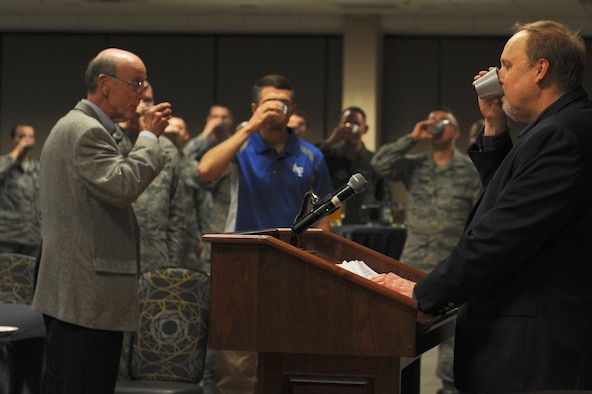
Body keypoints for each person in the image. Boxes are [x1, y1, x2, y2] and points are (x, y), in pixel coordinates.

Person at [372, 20, 592, 394]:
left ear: (540, 70)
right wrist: (495, 125)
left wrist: (422, 293)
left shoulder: (559, 134)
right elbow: (512, 200)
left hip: (536, 351)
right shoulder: (560, 125)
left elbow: (501, 234)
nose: (497, 75)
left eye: (506, 65)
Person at [31, 48, 172, 393]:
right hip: (85, 297)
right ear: (105, 84)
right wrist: (150, 138)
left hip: (79, 295)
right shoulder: (86, 131)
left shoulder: (78, 126)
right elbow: (123, 185)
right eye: (136, 83)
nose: (141, 94)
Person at [198, 74, 333, 394]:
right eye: (269, 103)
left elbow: (324, 221)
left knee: (289, 360)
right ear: (255, 107)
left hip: (293, 267)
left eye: (283, 103)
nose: (277, 109)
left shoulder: (311, 155)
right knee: (236, 365)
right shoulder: (241, 146)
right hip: (240, 267)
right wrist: (249, 126)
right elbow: (205, 170)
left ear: (293, 108)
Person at [370, 106, 481, 394]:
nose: (435, 127)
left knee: (454, 337)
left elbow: (479, 215)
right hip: (413, 261)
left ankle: (450, 388)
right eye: (431, 122)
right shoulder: (415, 165)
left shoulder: (468, 169)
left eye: (442, 122)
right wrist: (412, 136)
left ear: (456, 132)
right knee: (400, 335)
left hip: (451, 263)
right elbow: (380, 165)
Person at [112, 83, 187, 271]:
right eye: (139, 98)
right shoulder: (108, 140)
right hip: (114, 261)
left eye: (148, 100)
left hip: (156, 262)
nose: (144, 104)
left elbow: (177, 217)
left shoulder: (166, 148)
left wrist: (173, 267)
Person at [317, 106, 392, 225]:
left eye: (356, 123)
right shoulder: (328, 155)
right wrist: (330, 141)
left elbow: (385, 197)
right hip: (333, 225)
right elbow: (308, 160)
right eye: (346, 123)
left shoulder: (374, 160)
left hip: (365, 227)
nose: (351, 127)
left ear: (365, 129)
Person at [0, 123, 41, 257]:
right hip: (8, 237)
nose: (27, 139)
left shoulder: (38, 168)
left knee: (30, 276)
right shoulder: (4, 164)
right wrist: (17, 151)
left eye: (30, 136)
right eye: (22, 136)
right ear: (13, 140)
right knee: (7, 277)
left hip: (32, 237)